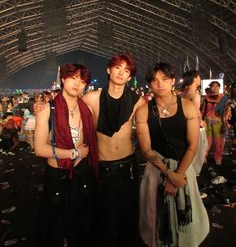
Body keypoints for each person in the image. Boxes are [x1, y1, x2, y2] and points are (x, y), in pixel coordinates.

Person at [135, 62, 209, 247]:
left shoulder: (188, 107)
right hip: (156, 171)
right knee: (157, 218)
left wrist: (179, 174)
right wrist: (170, 175)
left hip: (184, 168)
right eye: (155, 80)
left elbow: (192, 146)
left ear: (173, 81)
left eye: (165, 79)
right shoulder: (143, 111)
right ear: (150, 84)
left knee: (187, 221)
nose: (160, 84)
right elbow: (146, 150)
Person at [82, 53, 146, 247]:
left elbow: (149, 127)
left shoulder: (137, 101)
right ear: (109, 70)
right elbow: (71, 115)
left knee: (129, 217)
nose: (121, 72)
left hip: (128, 166)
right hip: (102, 167)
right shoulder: (91, 98)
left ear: (130, 77)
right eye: (118, 67)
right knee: (103, 219)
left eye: (126, 70)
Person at [34, 63, 98, 247]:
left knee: (81, 224)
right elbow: (40, 148)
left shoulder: (87, 110)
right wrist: (75, 153)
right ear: (63, 79)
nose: (77, 83)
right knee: (56, 226)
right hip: (57, 176)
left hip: (82, 173)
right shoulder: (47, 110)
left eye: (82, 80)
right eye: (73, 77)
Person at [181, 70, 208, 175]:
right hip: (195, 127)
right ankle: (191, 174)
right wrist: (201, 122)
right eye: (199, 77)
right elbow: (196, 113)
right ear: (195, 78)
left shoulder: (181, 93)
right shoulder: (195, 95)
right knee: (198, 150)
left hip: (184, 125)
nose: (200, 79)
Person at [201, 81, 227, 165]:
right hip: (207, 120)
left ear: (219, 88)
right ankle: (204, 156)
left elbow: (225, 111)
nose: (215, 88)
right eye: (212, 86)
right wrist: (201, 119)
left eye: (217, 86)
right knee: (206, 141)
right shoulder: (205, 97)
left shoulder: (224, 97)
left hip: (219, 122)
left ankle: (218, 157)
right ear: (210, 87)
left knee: (219, 141)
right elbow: (202, 109)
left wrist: (225, 123)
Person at [224, 82, 236, 146]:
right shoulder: (230, 99)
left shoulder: (230, 99)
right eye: (234, 88)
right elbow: (228, 111)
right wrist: (226, 121)